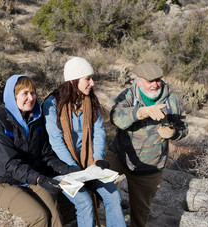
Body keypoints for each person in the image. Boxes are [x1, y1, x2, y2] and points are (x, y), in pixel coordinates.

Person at [43, 57, 126, 227]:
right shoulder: (52, 105)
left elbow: (98, 132)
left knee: (114, 196)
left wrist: (97, 159)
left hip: (90, 164)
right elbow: (56, 142)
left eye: (92, 78)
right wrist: (74, 170)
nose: (92, 83)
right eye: (87, 78)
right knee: (85, 203)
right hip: (63, 166)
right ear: (73, 81)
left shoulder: (90, 101)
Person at [0, 74, 77, 226]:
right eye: (25, 93)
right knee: (39, 216)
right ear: (13, 97)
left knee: (55, 217)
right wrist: (39, 179)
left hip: (31, 177)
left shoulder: (35, 120)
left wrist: (66, 169)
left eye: (33, 93)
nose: (31, 97)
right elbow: (10, 164)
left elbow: (46, 155)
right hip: (5, 182)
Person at [106, 62, 189, 227]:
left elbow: (183, 128)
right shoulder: (129, 96)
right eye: (150, 81)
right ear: (138, 80)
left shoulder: (171, 101)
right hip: (119, 156)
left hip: (148, 167)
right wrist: (140, 112)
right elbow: (115, 118)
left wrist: (174, 133)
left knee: (140, 213)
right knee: (93, 175)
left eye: (158, 80)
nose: (155, 84)